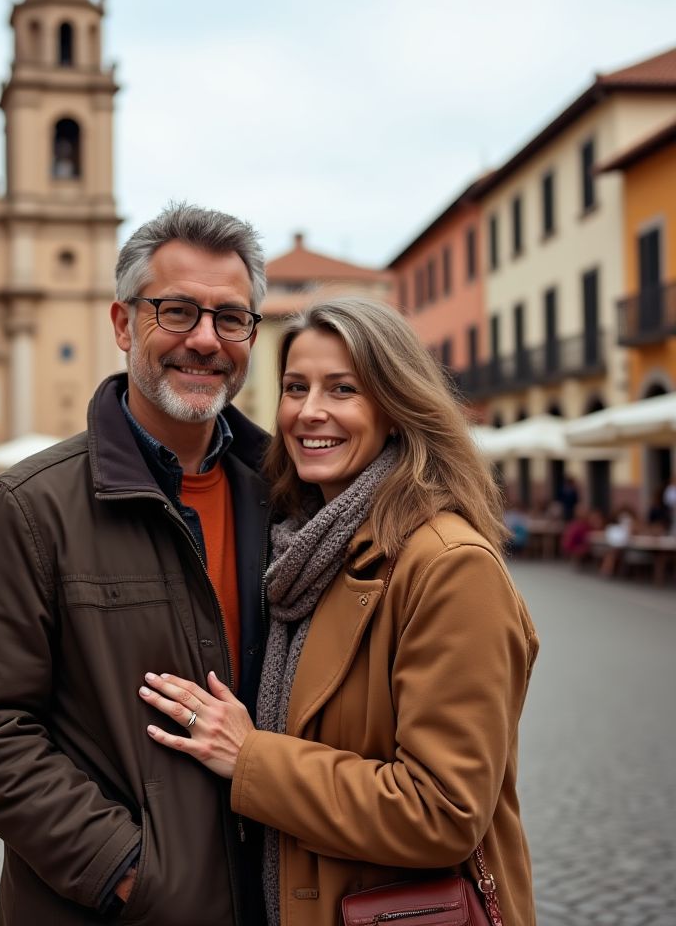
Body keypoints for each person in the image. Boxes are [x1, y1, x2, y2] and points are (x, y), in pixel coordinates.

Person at [139, 298, 538, 926]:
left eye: (343, 389)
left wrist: (251, 758)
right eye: (295, 387)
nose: (309, 412)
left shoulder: (448, 565)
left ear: (396, 408)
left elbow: (444, 813)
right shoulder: (301, 552)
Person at [0, 202, 271, 925]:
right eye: (176, 312)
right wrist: (133, 876)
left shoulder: (286, 500)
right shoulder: (27, 507)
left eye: (231, 318)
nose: (206, 340)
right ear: (123, 325)